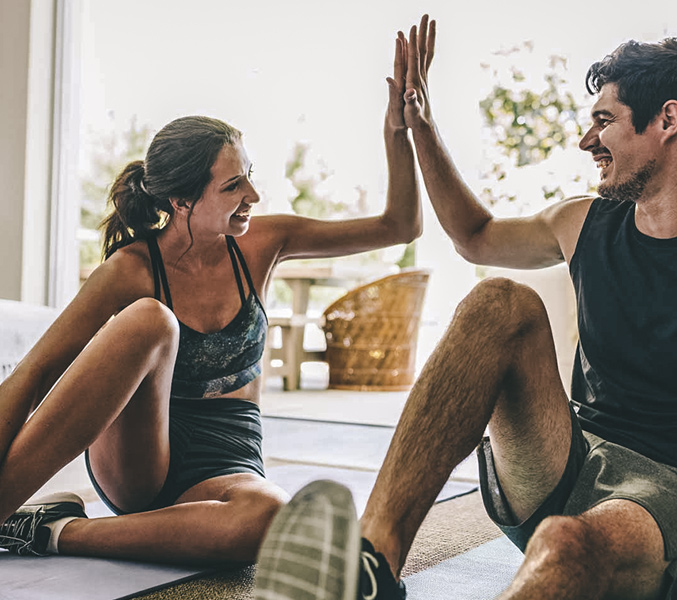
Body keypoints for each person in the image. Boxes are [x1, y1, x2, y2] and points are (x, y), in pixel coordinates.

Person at [256, 15, 677, 600]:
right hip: (571, 455)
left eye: (603, 121)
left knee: (564, 548)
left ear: (668, 120)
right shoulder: (583, 223)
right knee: (499, 300)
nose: (586, 141)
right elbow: (475, 236)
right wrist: (423, 127)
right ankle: (370, 568)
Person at [0, 31, 420, 577]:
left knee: (272, 515)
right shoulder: (130, 270)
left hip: (227, 459)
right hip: (140, 460)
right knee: (153, 320)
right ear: (181, 201)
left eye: (251, 176)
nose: (254, 196)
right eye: (233, 186)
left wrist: (398, 131)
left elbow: (399, 225)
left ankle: (53, 531)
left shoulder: (264, 245)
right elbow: (32, 376)